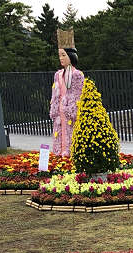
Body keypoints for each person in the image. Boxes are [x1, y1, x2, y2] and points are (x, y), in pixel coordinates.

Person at [50, 29, 84, 157]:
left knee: (71, 135)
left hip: (71, 113)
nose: (61, 58)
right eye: (59, 55)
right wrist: (55, 109)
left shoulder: (77, 74)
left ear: (71, 56)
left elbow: (78, 95)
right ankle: (59, 154)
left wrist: (71, 110)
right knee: (60, 135)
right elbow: (55, 95)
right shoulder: (58, 74)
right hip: (60, 113)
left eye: (63, 55)